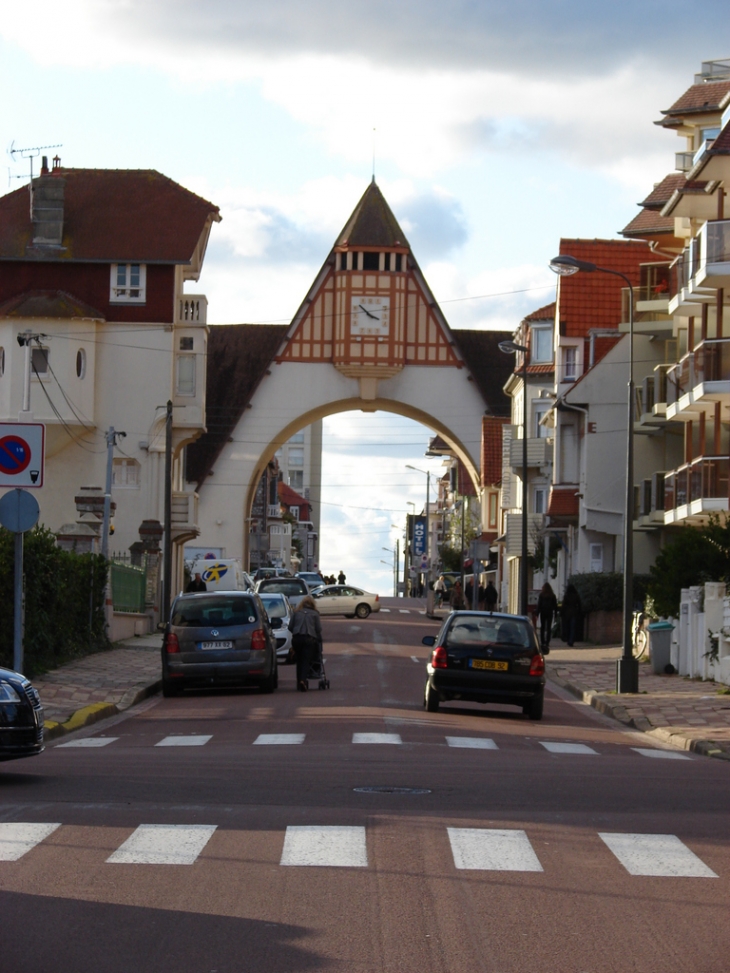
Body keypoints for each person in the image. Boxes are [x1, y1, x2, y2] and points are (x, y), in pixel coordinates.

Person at [288, 595, 323, 692]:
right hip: (309, 639)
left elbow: (290, 627)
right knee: (305, 660)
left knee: (299, 659)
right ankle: (303, 680)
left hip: (297, 639)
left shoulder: (296, 613)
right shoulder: (315, 614)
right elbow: (318, 629)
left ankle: (299, 681)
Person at [537, 582, 558, 651]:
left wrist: (537, 613)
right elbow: (555, 606)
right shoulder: (552, 595)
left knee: (543, 627)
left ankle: (542, 641)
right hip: (549, 612)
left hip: (543, 612)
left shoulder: (541, 595)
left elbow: (539, 605)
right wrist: (555, 614)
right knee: (548, 627)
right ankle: (547, 641)